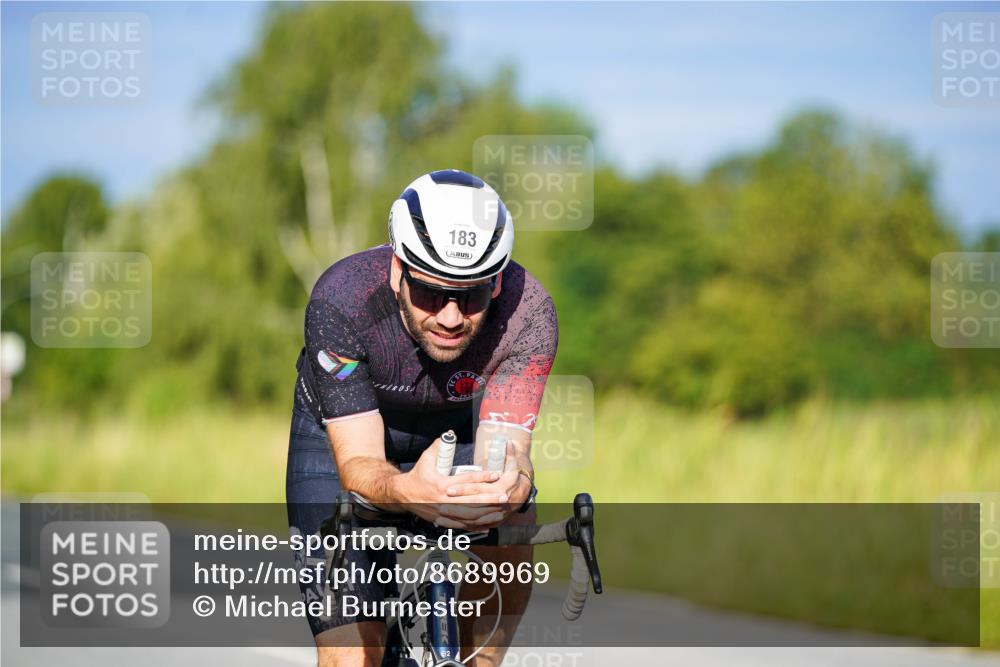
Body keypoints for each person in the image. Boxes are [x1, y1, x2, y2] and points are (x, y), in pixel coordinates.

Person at [287, 169, 558, 666]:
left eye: (471, 295)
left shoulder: (529, 313)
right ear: (398, 270)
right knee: (351, 660)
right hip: (348, 437)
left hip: (458, 431)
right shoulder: (340, 301)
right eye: (431, 294)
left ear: (496, 283)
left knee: (515, 512)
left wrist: (511, 486)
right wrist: (409, 491)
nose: (451, 317)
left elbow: (509, 451)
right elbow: (360, 465)